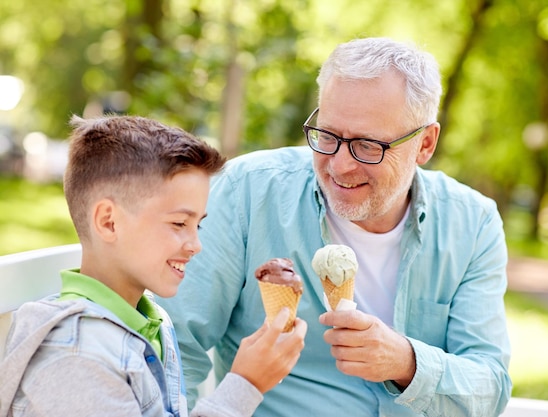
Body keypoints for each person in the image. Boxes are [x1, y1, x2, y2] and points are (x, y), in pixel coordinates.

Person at [157, 37, 512, 416]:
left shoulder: (472, 223)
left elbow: (490, 385)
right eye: (327, 136)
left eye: (368, 145)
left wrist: (407, 363)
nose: (340, 165)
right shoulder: (247, 192)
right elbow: (176, 348)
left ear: (425, 143)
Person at [0, 115, 307, 417]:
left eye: (197, 225)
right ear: (109, 222)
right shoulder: (76, 358)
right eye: (178, 223)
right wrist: (246, 384)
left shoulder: (151, 318)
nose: (196, 244)